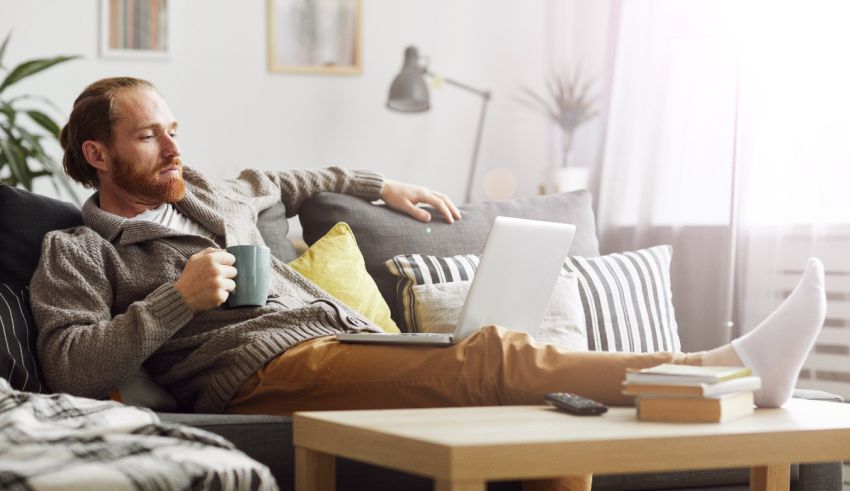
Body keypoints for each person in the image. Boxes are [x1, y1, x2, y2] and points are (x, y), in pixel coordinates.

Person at [30, 78, 826, 488]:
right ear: (98, 155)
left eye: (174, 127)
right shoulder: (78, 249)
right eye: (148, 135)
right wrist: (178, 299)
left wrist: (385, 186)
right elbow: (67, 365)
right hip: (261, 373)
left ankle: (723, 372)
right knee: (494, 360)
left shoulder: (212, 191)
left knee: (544, 422)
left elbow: (302, 177)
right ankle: (726, 366)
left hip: (346, 342)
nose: (172, 146)